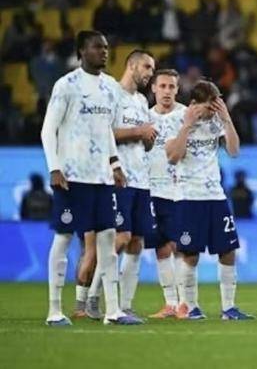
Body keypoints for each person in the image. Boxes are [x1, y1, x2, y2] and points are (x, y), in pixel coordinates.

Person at [40, 30, 141, 326]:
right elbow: (48, 129)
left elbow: (106, 129)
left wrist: (115, 163)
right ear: (81, 51)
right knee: (63, 237)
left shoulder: (110, 86)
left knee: (108, 240)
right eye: (97, 47)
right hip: (71, 177)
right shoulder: (67, 85)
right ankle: (54, 311)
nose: (104, 52)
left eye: (106, 47)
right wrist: (54, 167)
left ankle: (113, 311)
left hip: (102, 178)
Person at [166, 80, 254, 320]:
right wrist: (187, 126)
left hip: (215, 195)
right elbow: (173, 156)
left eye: (216, 107)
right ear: (194, 104)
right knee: (190, 253)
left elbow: (234, 151)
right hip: (188, 196)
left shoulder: (216, 120)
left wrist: (226, 119)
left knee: (228, 250)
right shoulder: (175, 119)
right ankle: (190, 306)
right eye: (208, 107)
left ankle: (229, 308)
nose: (211, 112)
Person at [109, 50, 157, 317]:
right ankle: (95, 298)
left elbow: (144, 144)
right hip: (119, 177)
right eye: (147, 67)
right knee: (121, 238)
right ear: (131, 65)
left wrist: (148, 138)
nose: (151, 73)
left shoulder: (141, 100)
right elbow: (105, 133)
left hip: (141, 179)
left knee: (137, 241)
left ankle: (125, 305)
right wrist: (139, 131)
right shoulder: (112, 94)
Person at [147, 69, 186, 318]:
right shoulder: (145, 117)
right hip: (152, 190)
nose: (167, 91)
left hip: (179, 190)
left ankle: (185, 302)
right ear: (154, 88)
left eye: (171, 87)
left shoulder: (185, 115)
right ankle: (170, 303)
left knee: (179, 245)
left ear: (177, 89)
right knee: (160, 246)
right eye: (162, 86)